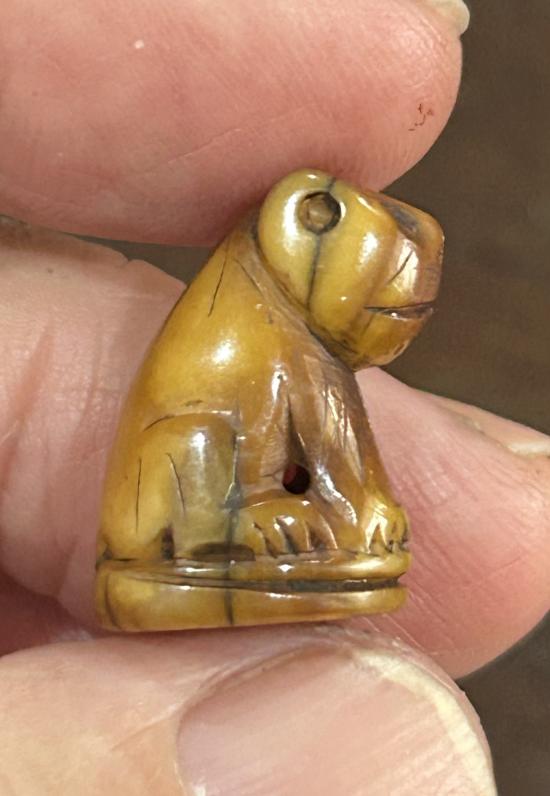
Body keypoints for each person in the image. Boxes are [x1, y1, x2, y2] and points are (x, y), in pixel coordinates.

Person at [0, 1, 547, 793]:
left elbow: (337, 448)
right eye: (385, 305)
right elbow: (203, 435)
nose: (396, 329)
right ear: (304, 223)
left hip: (263, 555)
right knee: (194, 435)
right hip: (182, 532)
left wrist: (360, 506)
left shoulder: (311, 351)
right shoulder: (231, 343)